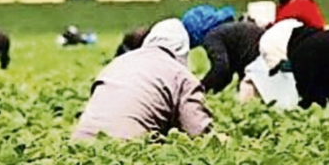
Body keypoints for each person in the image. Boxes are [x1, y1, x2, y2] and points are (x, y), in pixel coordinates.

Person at [72, 19, 213, 140]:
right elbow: (199, 132)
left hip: (79, 144)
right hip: (126, 146)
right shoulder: (181, 75)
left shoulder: (118, 62)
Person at [199, 19, 266, 94]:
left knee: (226, 72)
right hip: (233, 42)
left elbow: (222, 67)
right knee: (223, 70)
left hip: (248, 45)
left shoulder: (211, 38)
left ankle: (201, 91)